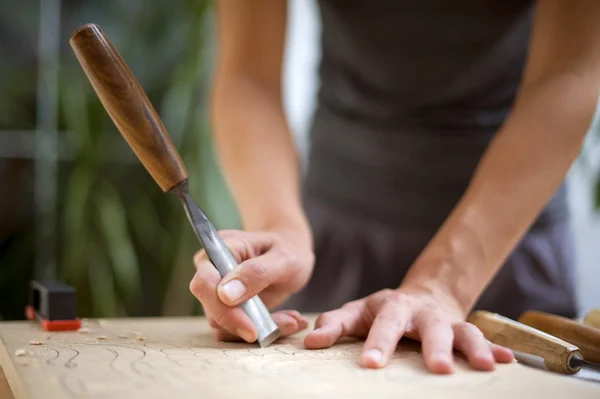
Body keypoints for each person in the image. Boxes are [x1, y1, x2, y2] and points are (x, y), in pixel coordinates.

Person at [189, 0, 600, 374]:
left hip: (504, 240)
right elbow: (249, 75)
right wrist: (280, 225)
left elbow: (569, 72)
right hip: (334, 242)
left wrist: (444, 283)